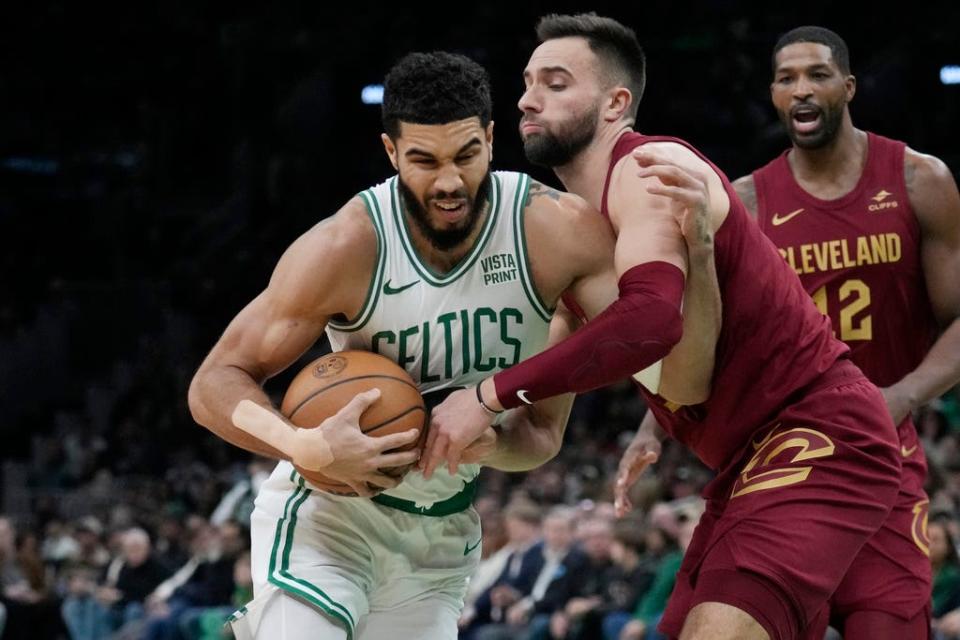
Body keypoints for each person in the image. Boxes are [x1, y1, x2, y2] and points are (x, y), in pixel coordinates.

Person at [188, 50, 713, 640]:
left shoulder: (556, 234)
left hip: (440, 540)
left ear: (491, 138)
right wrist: (301, 444)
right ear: (390, 153)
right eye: (423, 160)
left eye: (466, 155)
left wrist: (491, 442)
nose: (448, 182)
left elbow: (541, 436)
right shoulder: (346, 246)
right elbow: (213, 383)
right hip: (330, 518)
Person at [425, 13, 908, 640]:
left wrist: (488, 395)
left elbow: (652, 321)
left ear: (614, 103)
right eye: (526, 82)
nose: (526, 98)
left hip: (819, 429)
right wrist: (468, 437)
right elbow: (540, 436)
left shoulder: (650, 168)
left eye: (555, 82)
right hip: (744, 459)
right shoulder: (582, 243)